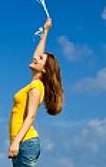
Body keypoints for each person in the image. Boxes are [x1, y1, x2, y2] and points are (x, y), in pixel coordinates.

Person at [8, 17, 64, 167]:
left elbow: (31, 116)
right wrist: (45, 31)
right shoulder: (35, 83)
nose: (35, 57)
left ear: (44, 70)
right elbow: (37, 54)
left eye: (40, 59)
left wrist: (16, 142)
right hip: (24, 142)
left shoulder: (36, 88)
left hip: (25, 142)